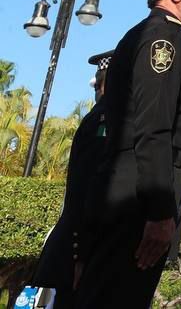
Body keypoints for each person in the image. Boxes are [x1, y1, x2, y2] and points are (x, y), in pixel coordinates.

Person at [74, 0, 181, 308]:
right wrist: (159, 212)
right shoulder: (162, 38)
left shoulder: (169, 37)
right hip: (138, 200)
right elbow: (153, 127)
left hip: (137, 193)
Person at [30, 52, 113, 303]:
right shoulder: (104, 122)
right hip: (77, 252)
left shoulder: (104, 118)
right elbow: (85, 190)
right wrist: (81, 254)